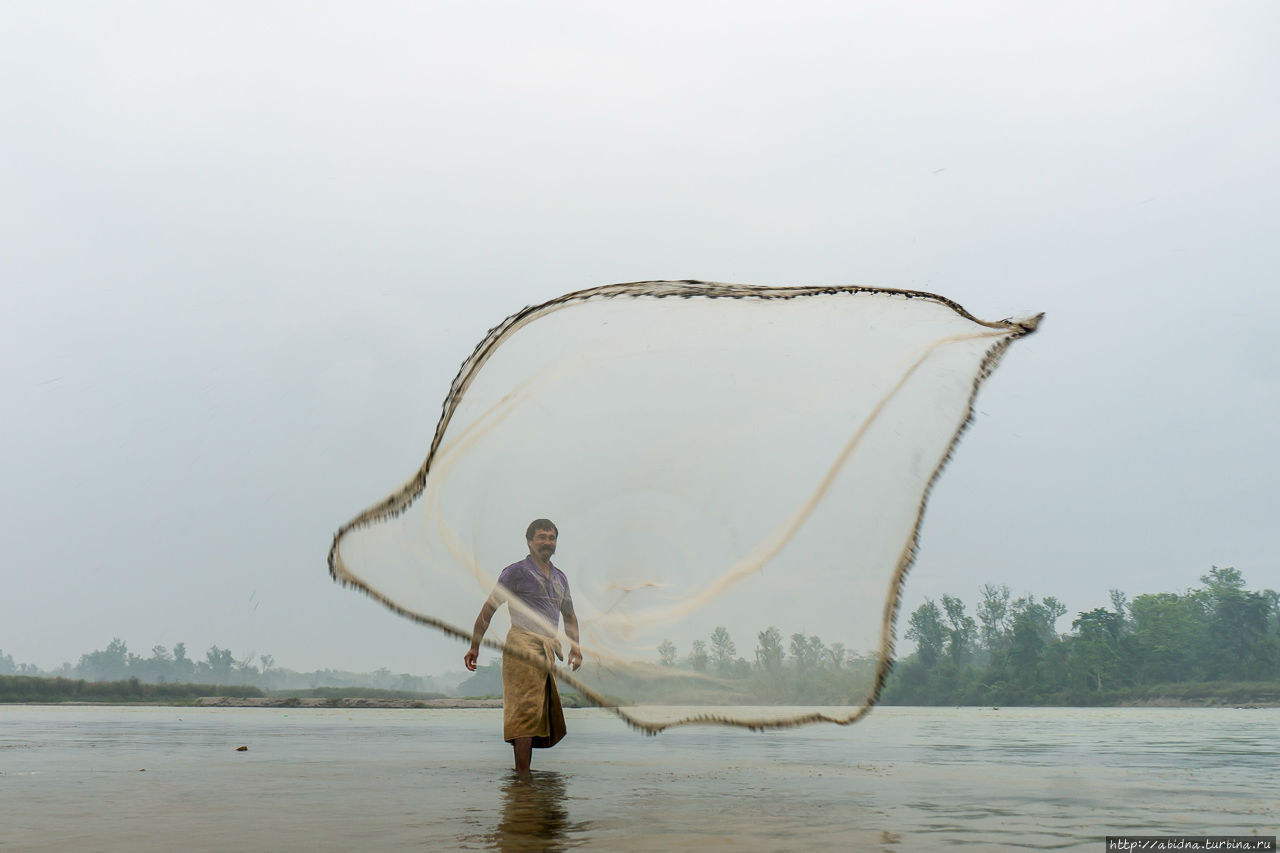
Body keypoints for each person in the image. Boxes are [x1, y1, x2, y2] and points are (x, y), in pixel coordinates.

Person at [464, 519, 582, 773]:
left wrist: (576, 648)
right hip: (521, 645)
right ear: (529, 541)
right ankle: (523, 777)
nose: (547, 542)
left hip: (547, 650)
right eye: (541, 537)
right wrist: (475, 646)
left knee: (542, 712)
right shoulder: (515, 572)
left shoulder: (560, 578)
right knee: (525, 711)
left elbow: (569, 615)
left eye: (551, 538)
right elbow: (490, 608)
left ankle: (525, 782)